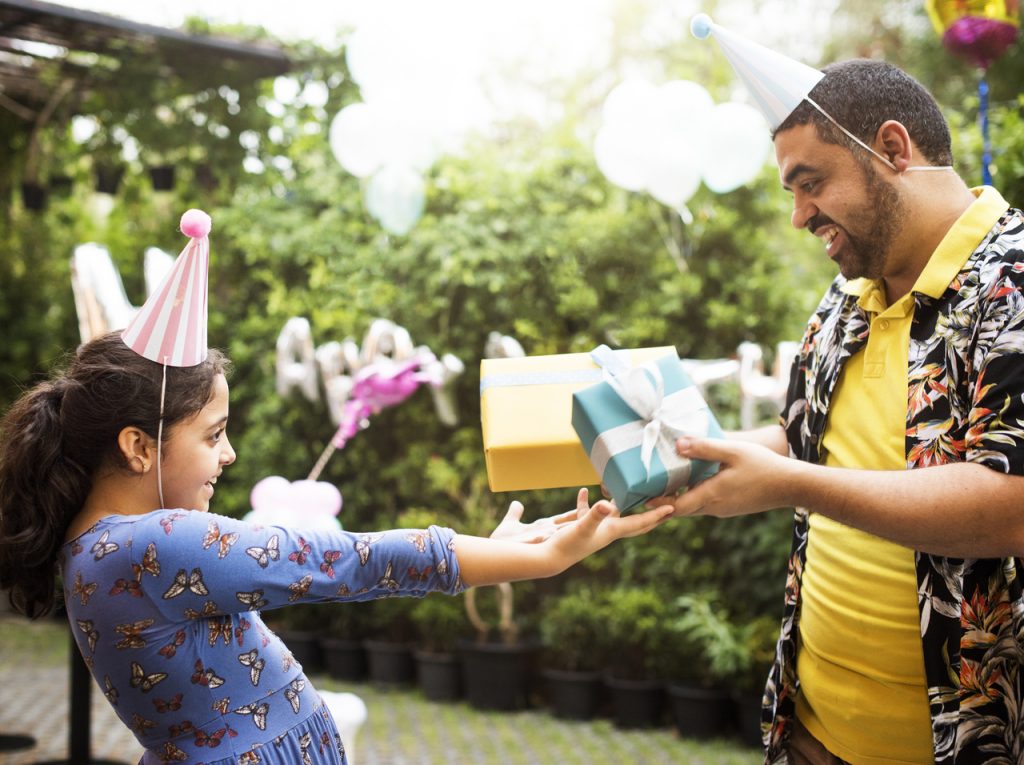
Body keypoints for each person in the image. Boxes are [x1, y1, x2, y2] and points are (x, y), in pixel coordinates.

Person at [0, 209, 674, 765]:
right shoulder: (152, 543)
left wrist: (487, 547)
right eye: (212, 434)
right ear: (138, 445)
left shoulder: (94, 548)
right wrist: (535, 558)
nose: (228, 454)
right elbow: (345, 560)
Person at [661, 29, 1024, 765]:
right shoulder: (847, 291)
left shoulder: (1011, 282)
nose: (799, 215)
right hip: (810, 728)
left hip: (962, 744)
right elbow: (807, 437)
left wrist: (790, 484)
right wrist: (692, 451)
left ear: (892, 148)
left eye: (811, 181)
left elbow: (1008, 504)